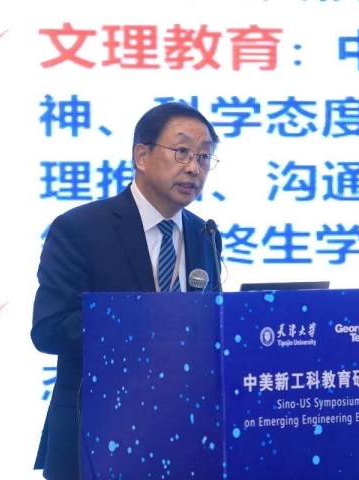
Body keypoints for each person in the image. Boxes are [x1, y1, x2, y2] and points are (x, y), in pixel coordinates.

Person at [31, 102, 223, 480]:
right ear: (141, 156)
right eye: (181, 151)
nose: (193, 168)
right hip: (98, 434)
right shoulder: (81, 228)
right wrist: (149, 325)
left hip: (182, 436)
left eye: (204, 157)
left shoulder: (205, 234)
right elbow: (50, 328)